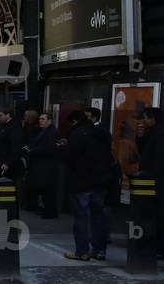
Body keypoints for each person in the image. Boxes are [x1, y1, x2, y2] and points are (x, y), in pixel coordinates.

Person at [63, 110, 112, 261]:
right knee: (99, 217)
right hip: (101, 181)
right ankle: (99, 250)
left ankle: (82, 251)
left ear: (75, 121)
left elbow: (70, 158)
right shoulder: (102, 133)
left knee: (81, 217)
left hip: (81, 182)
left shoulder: (77, 134)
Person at [136, 107, 164, 259]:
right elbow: (144, 151)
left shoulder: (162, 135)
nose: (143, 120)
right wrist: (140, 136)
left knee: (159, 216)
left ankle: (161, 249)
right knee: (154, 215)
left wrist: (151, 178)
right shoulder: (153, 134)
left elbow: (159, 161)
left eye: (145, 118)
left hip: (158, 183)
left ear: (153, 119)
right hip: (153, 181)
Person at [24, 113, 60, 218]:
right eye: (40, 119)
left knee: (47, 190)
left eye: (43, 119)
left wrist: (32, 150)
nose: (40, 121)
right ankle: (47, 210)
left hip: (46, 166)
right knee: (43, 189)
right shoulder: (43, 132)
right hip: (41, 165)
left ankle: (50, 212)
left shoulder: (52, 133)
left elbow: (48, 148)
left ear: (49, 121)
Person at [0, 109, 23, 181]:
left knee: (5, 187)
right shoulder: (3, 126)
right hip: (0, 162)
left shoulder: (14, 127)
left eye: (0, 115)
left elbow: (16, 147)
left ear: (8, 115)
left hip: (6, 165)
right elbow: (3, 141)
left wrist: (8, 163)